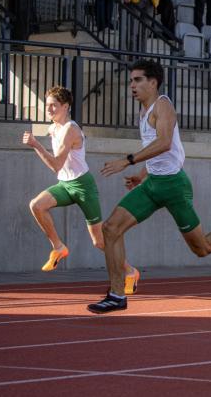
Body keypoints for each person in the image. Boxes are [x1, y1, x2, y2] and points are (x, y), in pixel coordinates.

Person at [87, 60, 211, 314]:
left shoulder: (163, 105)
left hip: (174, 186)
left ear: (153, 82)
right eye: (131, 81)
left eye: (138, 80)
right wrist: (141, 175)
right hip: (152, 184)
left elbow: (164, 143)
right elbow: (155, 153)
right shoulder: (143, 111)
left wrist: (127, 162)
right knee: (110, 228)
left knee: (202, 249)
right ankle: (117, 294)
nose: (132, 85)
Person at [23, 86, 139, 290]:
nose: (49, 110)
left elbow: (56, 164)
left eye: (54, 106)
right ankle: (58, 247)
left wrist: (36, 145)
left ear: (66, 106)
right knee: (37, 205)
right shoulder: (53, 128)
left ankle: (130, 271)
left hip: (83, 186)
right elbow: (60, 168)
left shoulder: (71, 129)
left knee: (100, 242)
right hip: (65, 185)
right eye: (47, 105)